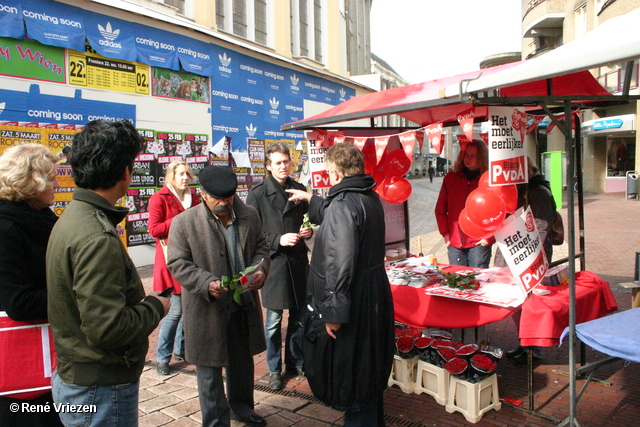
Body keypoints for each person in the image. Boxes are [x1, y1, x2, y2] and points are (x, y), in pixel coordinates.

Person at [46, 120, 170, 427]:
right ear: (126, 172)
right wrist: (156, 306)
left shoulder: (75, 218)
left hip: (83, 380)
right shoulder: (95, 235)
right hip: (98, 389)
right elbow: (107, 328)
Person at [287, 143, 395, 427]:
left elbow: (339, 261)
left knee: (353, 373)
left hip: (353, 300)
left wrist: (333, 314)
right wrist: (312, 198)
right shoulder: (368, 196)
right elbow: (339, 212)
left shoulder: (345, 204)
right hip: (371, 295)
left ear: (334, 173)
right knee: (368, 370)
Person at [167, 165, 270, 427]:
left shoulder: (250, 215)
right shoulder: (184, 223)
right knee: (209, 369)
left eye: (229, 197)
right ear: (202, 194)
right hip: (206, 308)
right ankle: (215, 421)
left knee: (242, 362)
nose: (225, 203)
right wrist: (206, 282)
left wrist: (260, 269)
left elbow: (262, 247)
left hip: (242, 303)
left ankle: (242, 408)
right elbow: (178, 263)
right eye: (218, 198)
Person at [0, 144, 63, 427]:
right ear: (31, 181)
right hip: (23, 383)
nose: (57, 184)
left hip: (50, 364)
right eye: (51, 178)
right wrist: (78, 296)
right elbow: (19, 303)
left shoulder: (37, 217)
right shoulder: (7, 227)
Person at [246, 143, 312, 390]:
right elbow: (251, 231)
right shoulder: (258, 194)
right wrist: (277, 239)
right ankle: (274, 369)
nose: (283, 166)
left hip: (297, 262)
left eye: (286, 161)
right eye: (278, 162)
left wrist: (307, 230)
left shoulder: (299, 189)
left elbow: (309, 219)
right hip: (274, 263)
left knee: (298, 317)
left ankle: (294, 362)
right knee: (273, 321)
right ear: (268, 166)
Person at [494, 156, 557, 364]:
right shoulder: (513, 192)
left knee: (530, 304)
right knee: (517, 304)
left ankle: (534, 348)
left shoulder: (538, 192)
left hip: (529, 258)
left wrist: (521, 250)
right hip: (511, 255)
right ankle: (525, 344)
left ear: (528, 170)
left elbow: (541, 227)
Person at [149, 160, 200, 375]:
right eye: (180, 174)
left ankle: (181, 350)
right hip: (171, 260)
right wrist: (179, 220)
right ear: (171, 176)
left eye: (187, 174)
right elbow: (154, 229)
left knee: (188, 308)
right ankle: (162, 358)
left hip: (192, 258)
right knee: (176, 310)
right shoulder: (159, 198)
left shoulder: (194, 197)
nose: (185, 178)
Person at [435, 140, 493, 268]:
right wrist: (445, 234)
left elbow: (499, 211)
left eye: (473, 156)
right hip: (455, 242)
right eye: (466, 154)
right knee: (458, 281)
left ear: (482, 158)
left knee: (479, 281)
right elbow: (440, 209)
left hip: (479, 242)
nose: (468, 159)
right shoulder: (451, 178)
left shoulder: (489, 180)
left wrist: (489, 238)